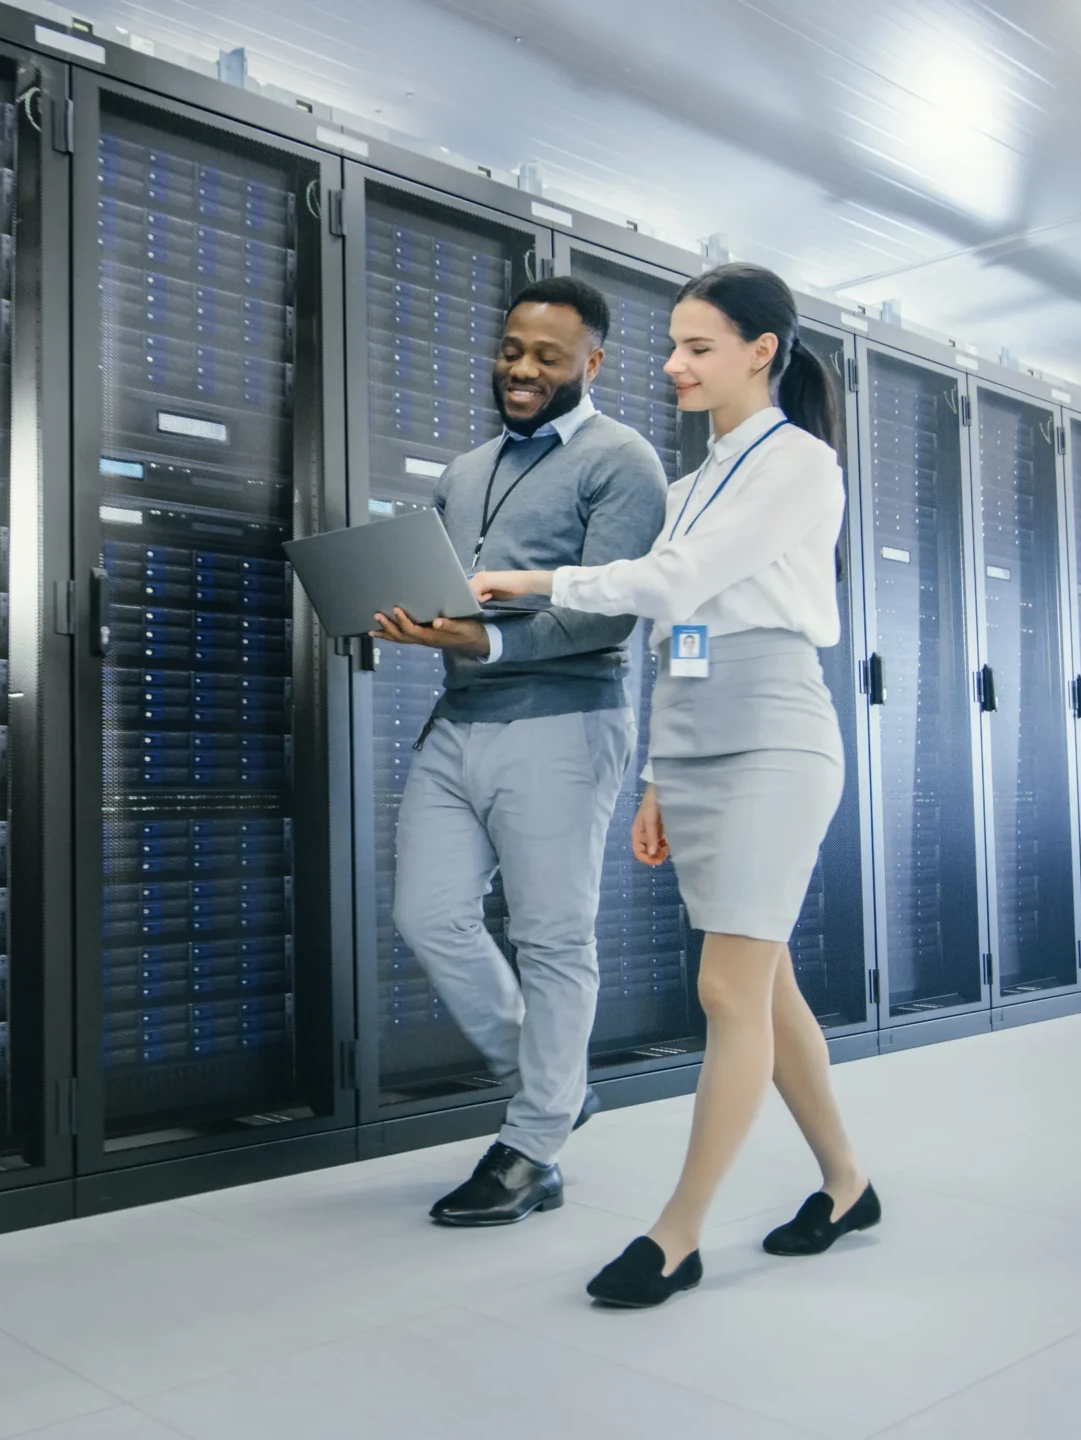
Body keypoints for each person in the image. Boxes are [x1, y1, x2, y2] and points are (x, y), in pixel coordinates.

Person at [472, 261, 878, 1306]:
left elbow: (674, 581)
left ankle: (677, 1233)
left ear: (761, 352)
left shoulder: (802, 464)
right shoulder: (691, 489)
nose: (674, 366)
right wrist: (656, 774)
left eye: (698, 347)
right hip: (695, 740)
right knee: (766, 984)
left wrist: (535, 578)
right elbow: (678, 637)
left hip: (775, 735)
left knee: (726, 989)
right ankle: (847, 1184)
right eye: (673, 347)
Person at [372, 276, 668, 1226]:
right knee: (428, 914)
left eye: (547, 355)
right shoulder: (464, 471)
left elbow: (612, 610)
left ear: (593, 361)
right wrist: (402, 615)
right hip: (458, 719)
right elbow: (449, 591)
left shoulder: (622, 461)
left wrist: (484, 642)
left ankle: (533, 1146)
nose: (522, 370)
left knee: (551, 937)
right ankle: (554, 1087)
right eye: (511, 350)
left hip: (563, 722)